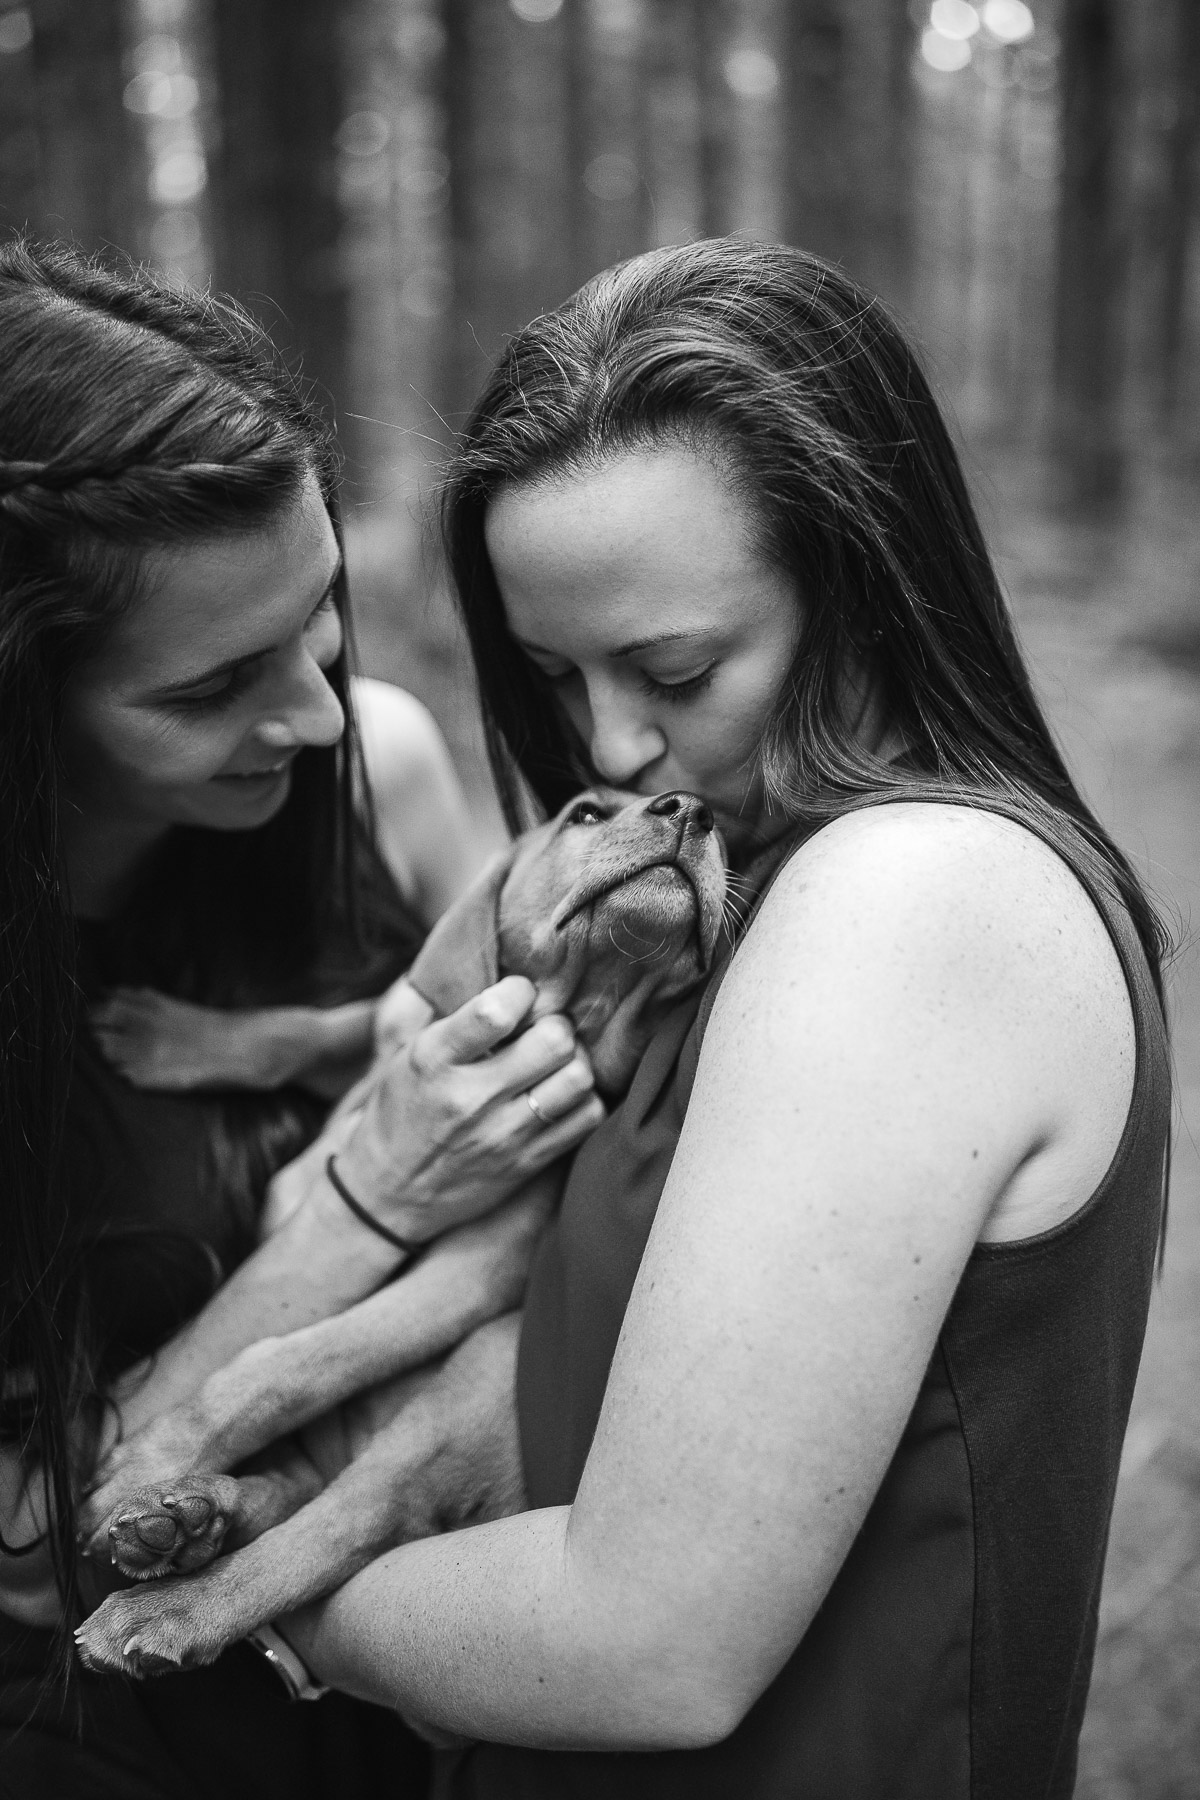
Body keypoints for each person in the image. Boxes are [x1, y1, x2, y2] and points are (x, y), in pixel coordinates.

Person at [275, 239, 1172, 1800]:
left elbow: (652, 1637)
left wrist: (265, 1601)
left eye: (674, 668)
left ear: (866, 578)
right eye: (552, 674)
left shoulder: (910, 897)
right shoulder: (738, 890)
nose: (612, 744)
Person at [0, 238, 601, 1799]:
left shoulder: (379, 769)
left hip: (441, 1674)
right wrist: (356, 1205)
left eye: (320, 614)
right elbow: (25, 1549)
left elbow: (568, 1167)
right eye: (212, 692)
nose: (320, 714)